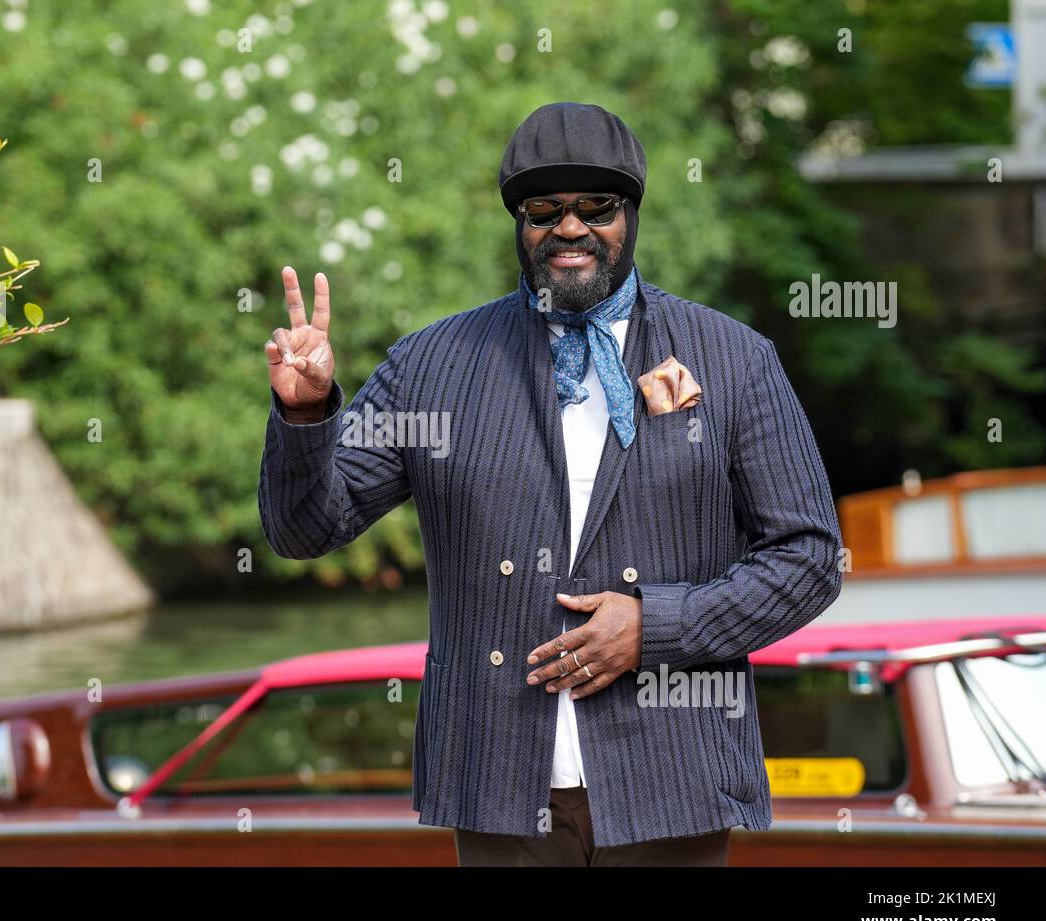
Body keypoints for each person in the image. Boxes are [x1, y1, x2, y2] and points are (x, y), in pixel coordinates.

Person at [258, 102, 843, 866]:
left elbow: (809, 560)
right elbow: (306, 529)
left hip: (674, 779)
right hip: (498, 783)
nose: (571, 229)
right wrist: (304, 415)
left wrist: (653, 628)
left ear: (629, 215)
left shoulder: (734, 359)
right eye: (544, 210)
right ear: (519, 225)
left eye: (595, 207)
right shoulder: (431, 365)